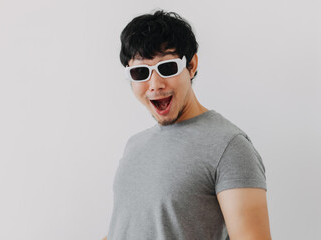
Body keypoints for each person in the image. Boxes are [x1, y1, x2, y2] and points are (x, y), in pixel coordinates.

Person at [104, 10, 271, 240]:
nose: (155, 85)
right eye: (141, 72)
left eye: (167, 68)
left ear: (191, 65)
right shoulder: (134, 145)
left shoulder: (230, 147)